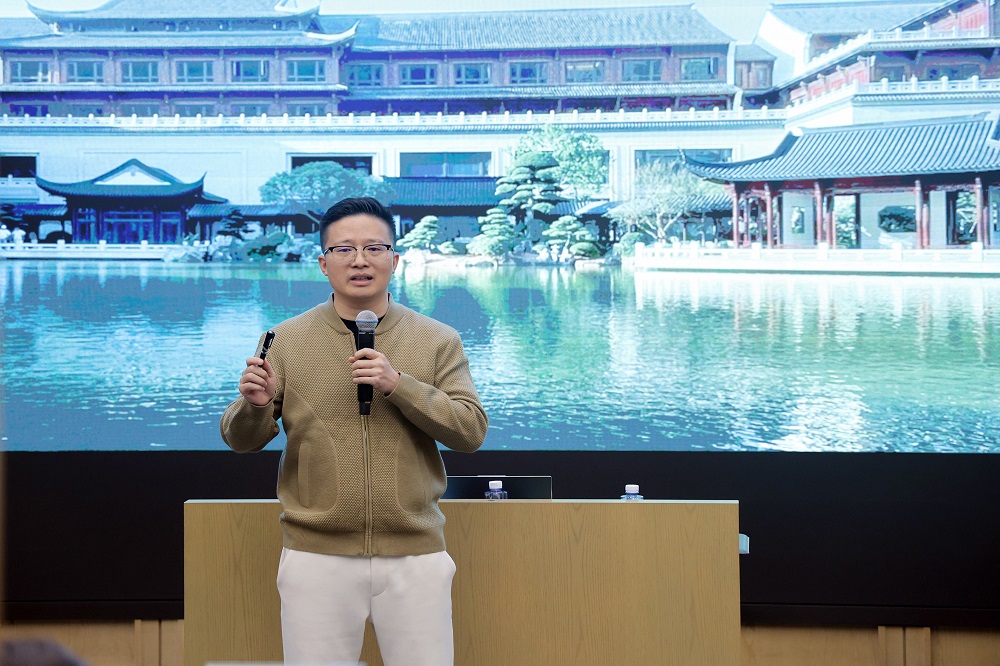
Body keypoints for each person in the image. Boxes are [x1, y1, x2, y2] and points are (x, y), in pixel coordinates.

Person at [220, 197, 488, 666]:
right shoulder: (285, 339)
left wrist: (399, 385)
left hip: (415, 556)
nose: (360, 260)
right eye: (344, 249)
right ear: (324, 263)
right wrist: (254, 406)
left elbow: (470, 431)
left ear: (395, 260)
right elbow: (241, 440)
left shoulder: (437, 338)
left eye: (374, 248)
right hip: (315, 557)